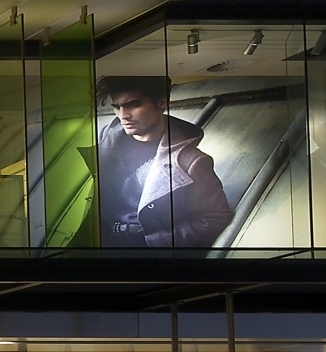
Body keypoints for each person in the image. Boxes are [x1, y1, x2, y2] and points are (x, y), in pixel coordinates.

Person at [95, 76, 233, 249]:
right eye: (117, 107)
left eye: (133, 104)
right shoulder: (103, 143)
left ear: (161, 104)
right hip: (100, 242)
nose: (123, 115)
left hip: (144, 250)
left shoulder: (192, 162)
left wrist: (160, 242)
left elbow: (215, 217)